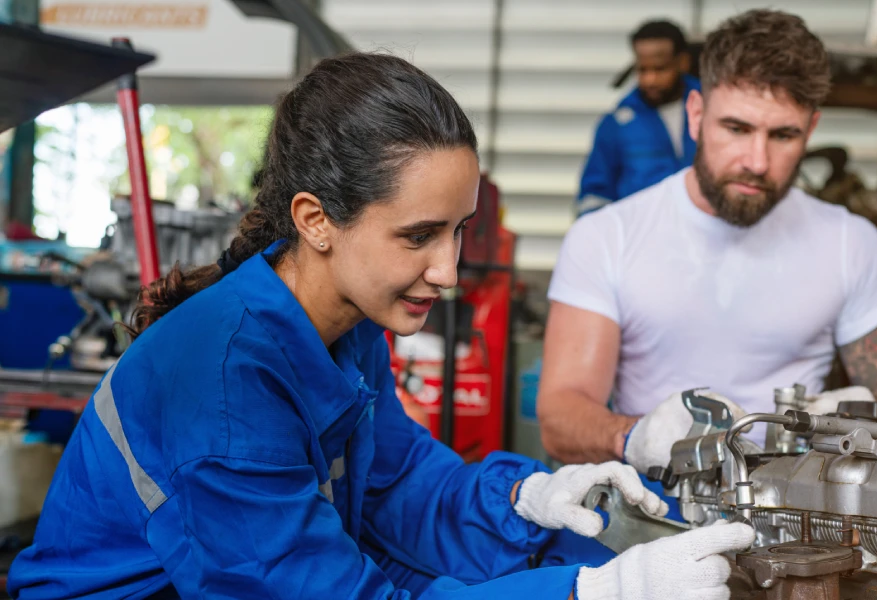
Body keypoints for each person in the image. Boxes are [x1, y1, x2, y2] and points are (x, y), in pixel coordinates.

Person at [8, 53, 755, 599]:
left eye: (459, 231)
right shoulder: (225, 386)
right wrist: (593, 596)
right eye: (418, 236)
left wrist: (529, 500)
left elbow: (400, 489)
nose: (450, 270)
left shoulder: (346, 327)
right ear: (316, 220)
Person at [539, 11, 877, 486]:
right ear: (696, 115)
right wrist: (635, 436)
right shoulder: (607, 237)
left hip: (799, 519)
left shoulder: (851, 242)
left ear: (810, 130)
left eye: (783, 135)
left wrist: (864, 411)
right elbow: (560, 418)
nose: (757, 162)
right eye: (737, 128)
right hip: (654, 508)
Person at [577, 20, 699, 216]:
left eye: (660, 69)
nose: (650, 80)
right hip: (641, 240)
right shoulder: (618, 123)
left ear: (683, 62)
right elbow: (594, 194)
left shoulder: (714, 109)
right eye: (642, 70)